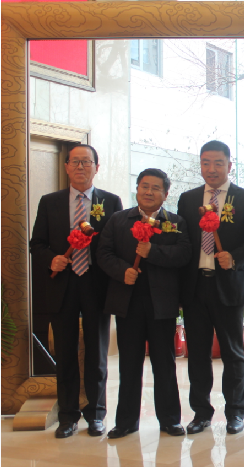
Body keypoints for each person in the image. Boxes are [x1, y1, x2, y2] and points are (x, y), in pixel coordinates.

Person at [29, 144, 123, 439]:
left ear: (97, 167)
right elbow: (36, 244)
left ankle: (96, 414)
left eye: (87, 162)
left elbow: (118, 244)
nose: (81, 167)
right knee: (66, 352)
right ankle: (68, 416)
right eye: (76, 162)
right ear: (66, 166)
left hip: (97, 284)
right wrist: (51, 259)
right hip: (63, 284)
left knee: (97, 353)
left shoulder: (111, 201)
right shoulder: (50, 202)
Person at [97, 168, 191, 439]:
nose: (149, 192)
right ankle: (126, 421)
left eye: (156, 188)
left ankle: (170, 420)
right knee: (129, 363)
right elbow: (103, 253)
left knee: (164, 363)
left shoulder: (175, 222)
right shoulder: (118, 220)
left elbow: (184, 254)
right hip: (128, 302)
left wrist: (153, 252)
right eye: (144, 186)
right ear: (137, 189)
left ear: (165, 193)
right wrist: (121, 271)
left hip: (162, 303)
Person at [177, 140, 244, 435]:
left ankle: (236, 412)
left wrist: (234, 257)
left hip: (229, 285)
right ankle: (201, 413)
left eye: (218, 163)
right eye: (206, 163)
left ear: (229, 165)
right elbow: (183, 242)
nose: (211, 169)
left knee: (233, 353)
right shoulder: (188, 199)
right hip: (195, 286)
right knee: (197, 354)